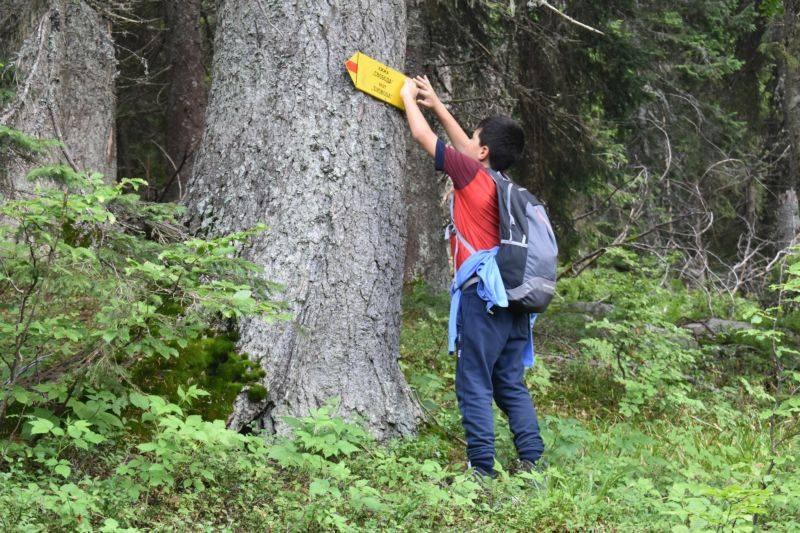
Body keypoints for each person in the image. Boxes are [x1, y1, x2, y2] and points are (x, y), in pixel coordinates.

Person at [400, 75, 545, 478]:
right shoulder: (503, 185)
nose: (467, 145)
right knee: (509, 383)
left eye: (474, 139)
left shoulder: (470, 176)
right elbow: (466, 145)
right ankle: (532, 461)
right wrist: (439, 104)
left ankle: (481, 468)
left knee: (474, 382)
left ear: (481, 151)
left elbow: (419, 133)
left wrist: (408, 98)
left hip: (482, 296)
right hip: (515, 298)